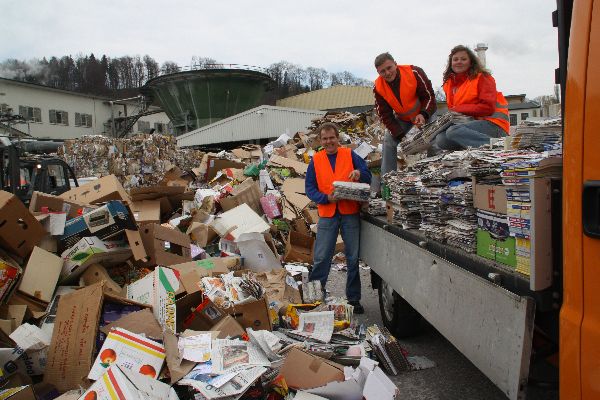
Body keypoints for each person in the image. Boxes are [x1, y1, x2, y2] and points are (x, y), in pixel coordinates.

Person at [305, 122, 372, 313]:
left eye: (332, 138)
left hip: (350, 213)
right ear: (320, 140)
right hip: (327, 214)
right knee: (321, 257)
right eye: (325, 139)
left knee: (352, 257)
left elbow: (367, 174)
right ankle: (315, 298)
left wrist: (359, 173)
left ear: (338, 138)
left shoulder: (350, 154)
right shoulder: (316, 160)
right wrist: (325, 198)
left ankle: (354, 300)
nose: (329, 142)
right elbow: (309, 188)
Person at [433, 45, 509, 151]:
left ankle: (499, 148)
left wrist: (458, 109)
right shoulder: (450, 85)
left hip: (495, 125)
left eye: (463, 59)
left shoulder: (482, 77)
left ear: (471, 62)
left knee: (453, 131)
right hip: (470, 126)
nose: (459, 62)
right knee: (441, 139)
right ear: (451, 63)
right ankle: (473, 149)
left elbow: (488, 108)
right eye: (455, 59)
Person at [373, 52, 437, 176]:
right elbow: (385, 115)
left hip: (425, 112)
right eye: (382, 71)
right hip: (403, 118)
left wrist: (423, 114)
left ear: (395, 64)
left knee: (433, 136)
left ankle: (434, 172)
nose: (387, 73)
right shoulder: (378, 87)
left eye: (389, 68)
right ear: (378, 73)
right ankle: (388, 179)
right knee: (388, 140)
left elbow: (429, 96)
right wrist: (400, 135)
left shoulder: (414, 72)